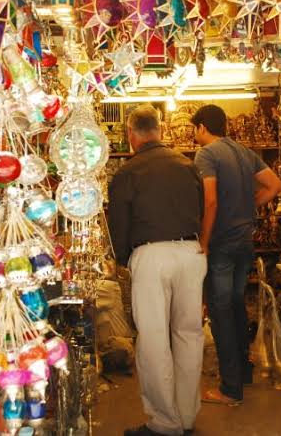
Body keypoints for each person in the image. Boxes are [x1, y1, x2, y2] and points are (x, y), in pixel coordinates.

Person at [108, 105, 207, 436]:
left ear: (131, 134)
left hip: (152, 254)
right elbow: (204, 206)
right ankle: (187, 416)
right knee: (188, 334)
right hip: (192, 252)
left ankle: (165, 422)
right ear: (160, 131)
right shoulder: (187, 165)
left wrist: (120, 259)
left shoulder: (128, 171)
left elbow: (118, 221)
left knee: (153, 339)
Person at [192, 104, 281, 405]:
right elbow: (275, 185)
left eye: (195, 129)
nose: (194, 135)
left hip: (222, 243)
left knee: (221, 313)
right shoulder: (244, 152)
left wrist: (204, 240)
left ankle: (230, 389)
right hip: (245, 240)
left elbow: (211, 201)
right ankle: (243, 373)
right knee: (236, 306)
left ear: (202, 127)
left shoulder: (206, 154)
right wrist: (249, 206)